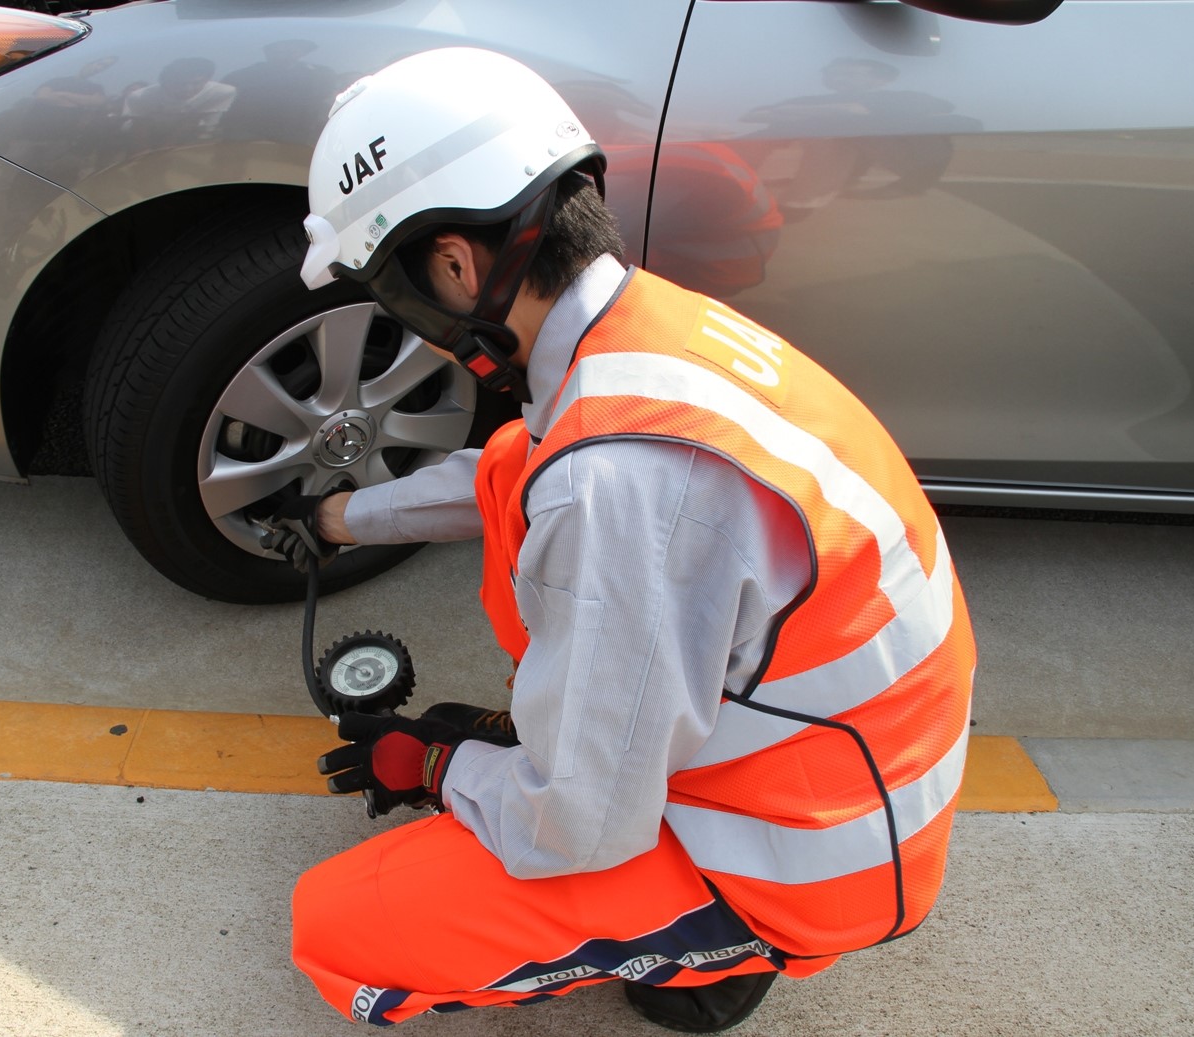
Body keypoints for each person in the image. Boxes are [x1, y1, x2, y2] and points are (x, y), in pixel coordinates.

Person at [271, 48, 975, 1032]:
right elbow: (507, 476)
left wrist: (440, 767)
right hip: (844, 751)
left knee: (342, 924)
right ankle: (612, 771)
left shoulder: (615, 486)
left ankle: (722, 955)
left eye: (401, 300)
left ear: (455, 265)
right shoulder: (644, 335)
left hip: (820, 854)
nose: (416, 327)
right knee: (521, 461)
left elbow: (579, 823)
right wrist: (338, 520)